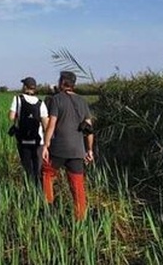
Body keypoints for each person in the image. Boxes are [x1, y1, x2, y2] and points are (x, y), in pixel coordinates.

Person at [41, 71, 95, 220]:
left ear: (61, 83)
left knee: (47, 173)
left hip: (59, 149)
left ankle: (48, 207)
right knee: (78, 186)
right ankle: (80, 218)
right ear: (73, 84)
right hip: (78, 151)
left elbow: (51, 125)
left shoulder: (56, 99)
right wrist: (89, 150)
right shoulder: (83, 102)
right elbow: (89, 129)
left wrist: (46, 145)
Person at [9, 76, 49, 187]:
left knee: (28, 169)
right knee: (38, 169)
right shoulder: (41, 103)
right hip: (38, 141)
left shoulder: (17, 99)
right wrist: (47, 143)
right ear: (34, 88)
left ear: (25, 87)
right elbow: (46, 124)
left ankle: (29, 191)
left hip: (23, 140)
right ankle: (39, 193)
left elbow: (11, 117)